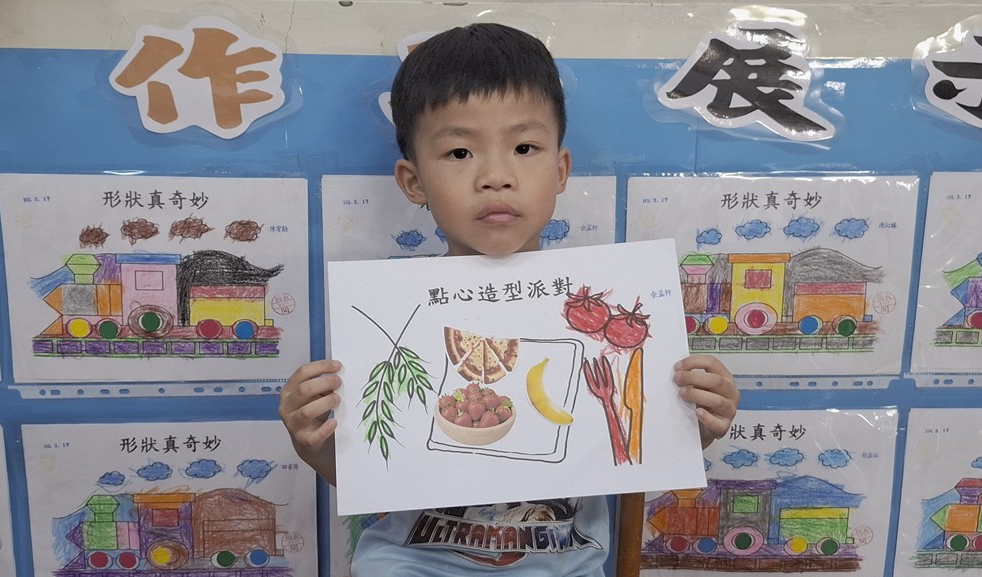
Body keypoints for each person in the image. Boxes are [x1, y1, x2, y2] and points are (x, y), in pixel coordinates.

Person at [279, 22, 739, 576]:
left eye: (524, 148)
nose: (495, 176)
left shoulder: (601, 315)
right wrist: (315, 444)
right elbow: (377, 468)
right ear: (413, 181)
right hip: (410, 564)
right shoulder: (391, 321)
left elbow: (635, 452)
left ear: (560, 169)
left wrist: (695, 423)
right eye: (458, 152)